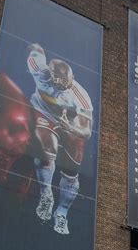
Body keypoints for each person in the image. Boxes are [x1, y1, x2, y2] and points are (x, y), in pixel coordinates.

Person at [27, 43, 93, 235]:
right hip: (44, 113)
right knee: (46, 150)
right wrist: (37, 49)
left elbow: (87, 132)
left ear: (71, 78)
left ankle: (61, 213)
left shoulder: (81, 97)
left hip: (72, 125)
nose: (57, 81)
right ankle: (46, 195)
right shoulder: (40, 70)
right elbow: (34, 50)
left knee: (71, 173)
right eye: (55, 77)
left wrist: (70, 127)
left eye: (63, 79)